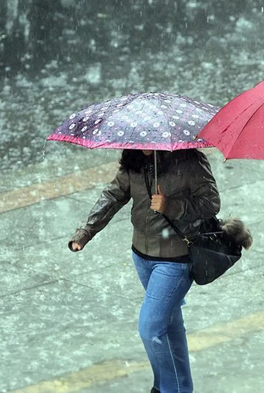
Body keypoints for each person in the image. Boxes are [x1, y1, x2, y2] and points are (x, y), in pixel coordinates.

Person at [68, 148, 220, 393]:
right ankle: (176, 387)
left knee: (150, 329)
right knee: (169, 324)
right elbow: (113, 196)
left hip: (175, 259)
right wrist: (87, 231)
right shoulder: (134, 160)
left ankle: (170, 389)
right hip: (141, 255)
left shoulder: (190, 161)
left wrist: (171, 206)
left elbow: (211, 204)